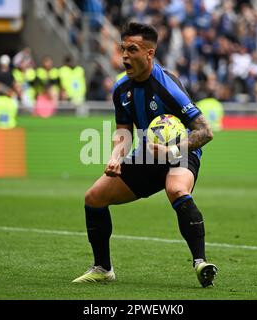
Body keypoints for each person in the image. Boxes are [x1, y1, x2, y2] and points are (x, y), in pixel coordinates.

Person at [72, 22, 218, 288]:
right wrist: (116, 155)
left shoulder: (168, 87)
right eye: (122, 49)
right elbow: (123, 131)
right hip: (148, 156)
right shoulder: (121, 90)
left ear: (149, 54)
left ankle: (201, 263)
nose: (124, 55)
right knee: (94, 197)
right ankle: (103, 268)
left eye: (132, 49)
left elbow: (205, 132)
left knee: (176, 188)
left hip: (181, 153)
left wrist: (170, 150)